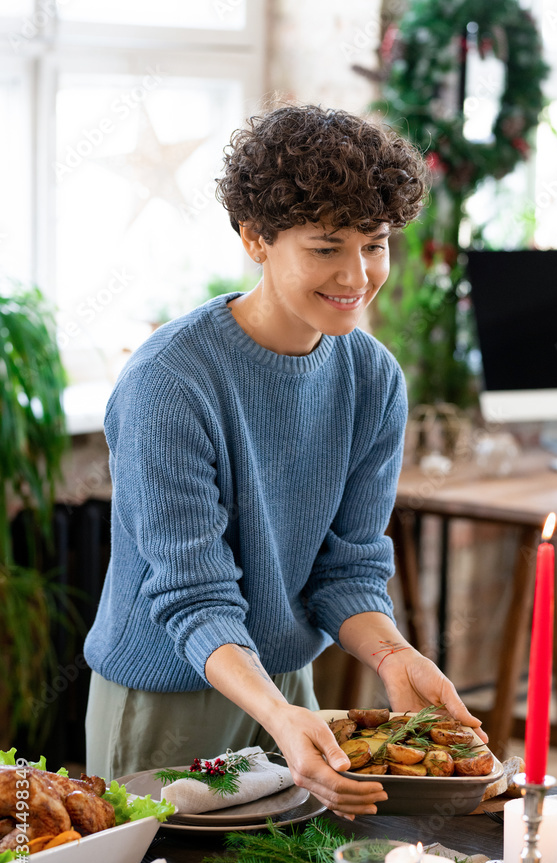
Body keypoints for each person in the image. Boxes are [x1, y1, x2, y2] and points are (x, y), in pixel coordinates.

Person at [84, 103, 486, 818]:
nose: (357, 275)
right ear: (255, 238)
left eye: (375, 244)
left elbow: (346, 566)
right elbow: (194, 596)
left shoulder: (372, 377)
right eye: (326, 247)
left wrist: (392, 655)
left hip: (286, 690)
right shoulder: (168, 384)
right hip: (166, 697)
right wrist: (275, 712)